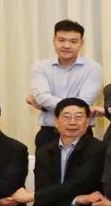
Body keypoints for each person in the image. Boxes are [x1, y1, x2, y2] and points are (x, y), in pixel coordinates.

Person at [27, 19, 103, 149]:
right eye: (61, 40)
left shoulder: (94, 69)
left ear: (81, 43)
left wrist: (45, 106)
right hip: (49, 132)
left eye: (73, 41)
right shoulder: (40, 67)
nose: (67, 45)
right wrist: (43, 102)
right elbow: (42, 97)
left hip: (82, 133)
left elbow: (83, 103)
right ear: (54, 40)